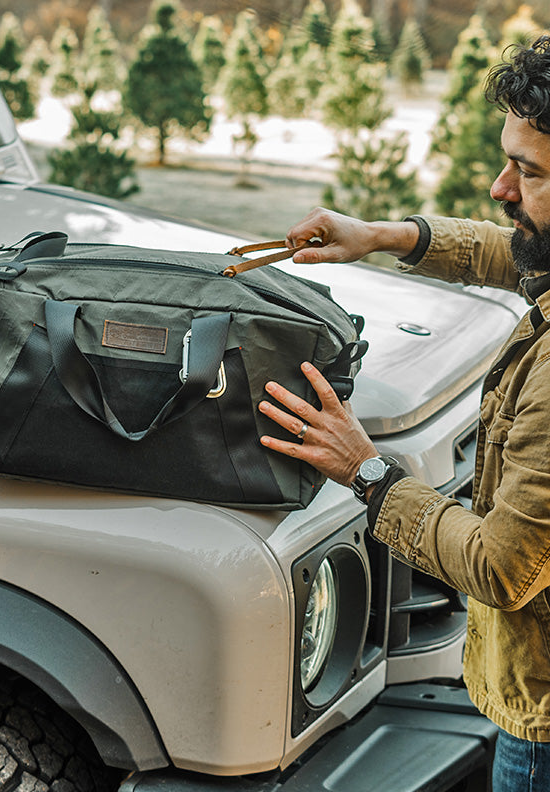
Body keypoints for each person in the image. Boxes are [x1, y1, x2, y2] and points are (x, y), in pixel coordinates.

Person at [258, 37, 550, 792]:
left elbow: (500, 567)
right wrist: (384, 237)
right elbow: (514, 253)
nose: (498, 187)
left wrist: (368, 471)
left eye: (529, 171)